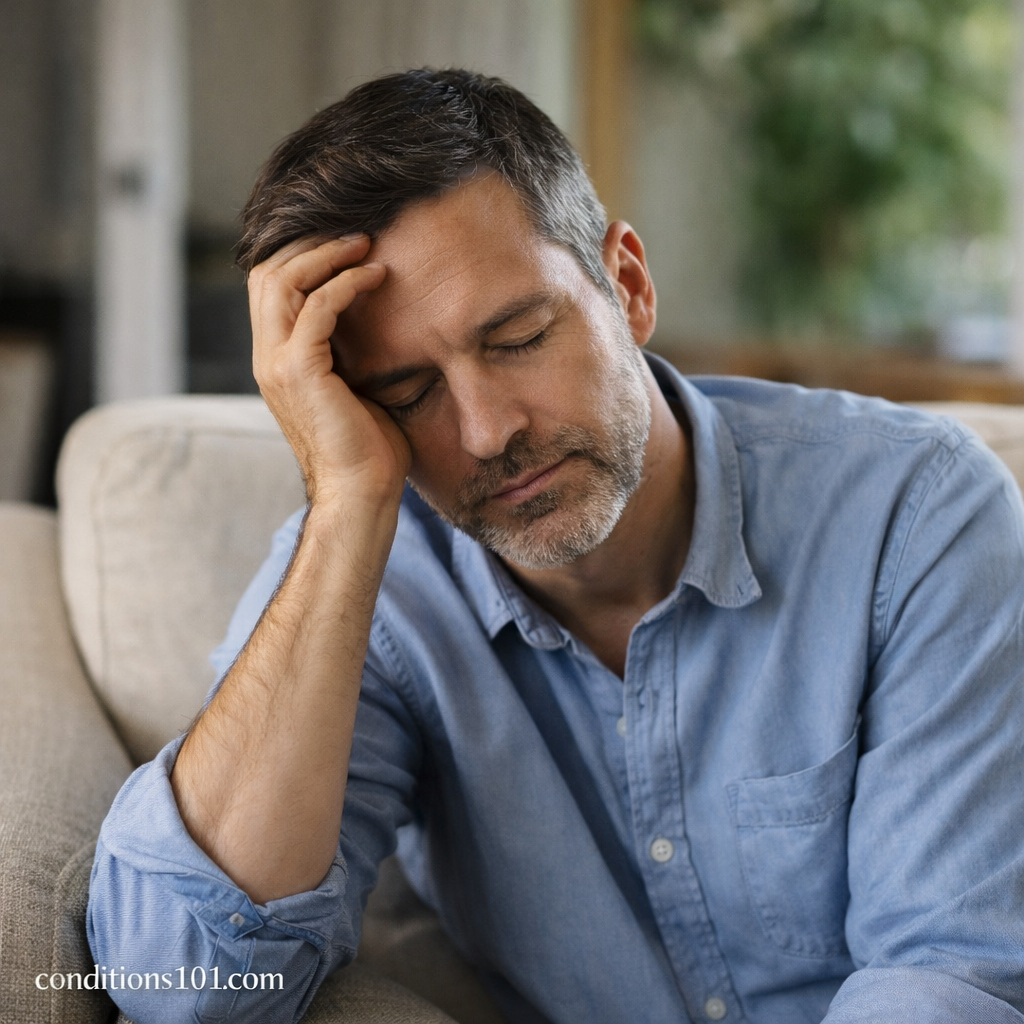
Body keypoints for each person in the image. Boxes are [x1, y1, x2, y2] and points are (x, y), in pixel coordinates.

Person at [87, 68, 1024, 1024]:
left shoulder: (917, 515)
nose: (487, 431)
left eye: (520, 337)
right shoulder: (371, 582)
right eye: (409, 395)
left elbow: (954, 973)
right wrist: (345, 508)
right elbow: (185, 986)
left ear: (627, 284)